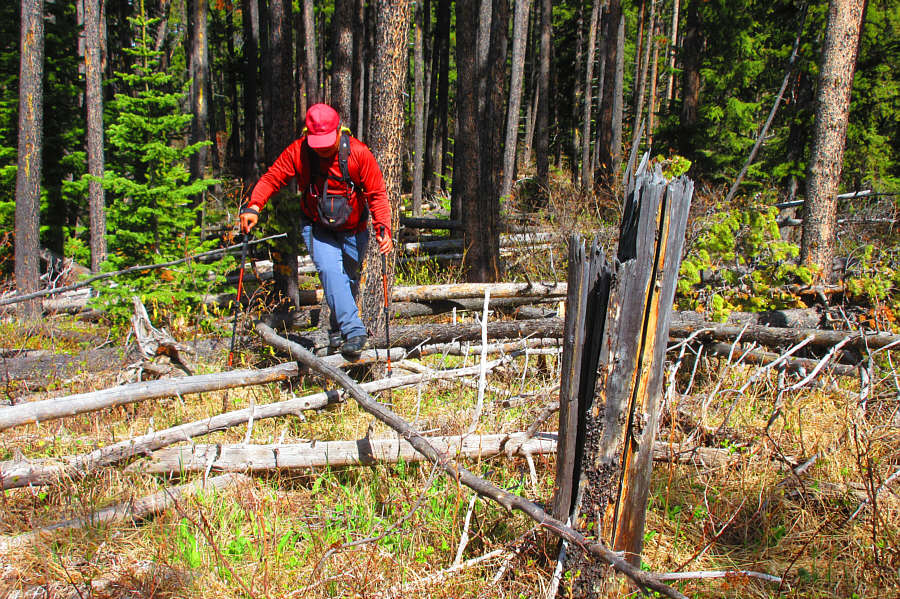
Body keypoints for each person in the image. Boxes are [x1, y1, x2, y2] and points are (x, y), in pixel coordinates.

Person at [240, 103, 393, 357]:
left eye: (326, 142)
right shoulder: (299, 152)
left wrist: (383, 227)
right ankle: (355, 331)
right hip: (316, 225)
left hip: (354, 228)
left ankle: (337, 331)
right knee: (330, 270)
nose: (322, 148)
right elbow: (272, 178)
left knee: (348, 280)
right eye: (316, 142)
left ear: (338, 132)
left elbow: (376, 193)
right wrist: (254, 205)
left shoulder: (358, 153)